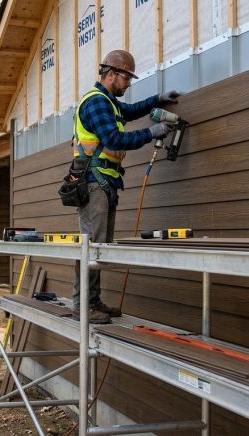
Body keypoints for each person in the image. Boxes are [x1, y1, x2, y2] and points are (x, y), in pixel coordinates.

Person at [71, 49, 180, 324]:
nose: (128, 83)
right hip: (93, 182)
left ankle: (92, 301)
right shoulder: (96, 102)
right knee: (91, 247)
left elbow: (130, 111)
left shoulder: (109, 103)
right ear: (111, 74)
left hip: (105, 183)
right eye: (127, 78)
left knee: (99, 247)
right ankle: (83, 306)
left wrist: (158, 99)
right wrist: (151, 133)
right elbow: (114, 139)